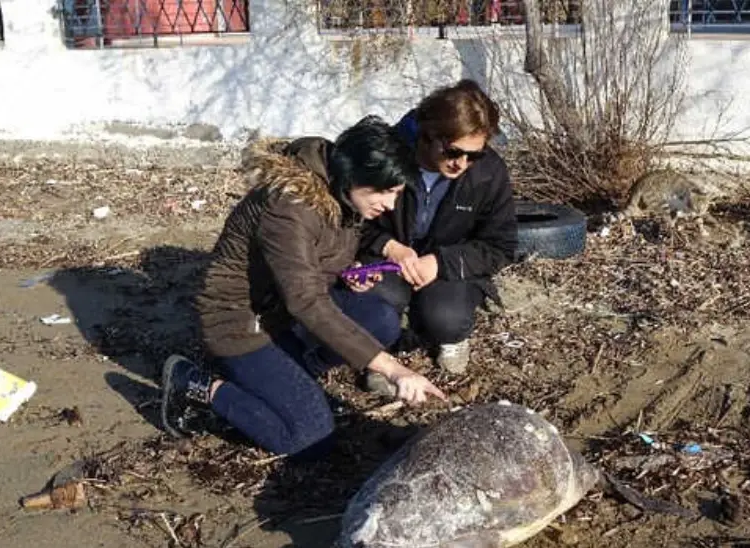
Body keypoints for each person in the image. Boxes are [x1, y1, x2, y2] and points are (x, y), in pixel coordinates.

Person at [160, 115, 446, 460]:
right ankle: (197, 384)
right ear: (356, 175)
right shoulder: (289, 206)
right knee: (310, 437)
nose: (390, 205)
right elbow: (306, 301)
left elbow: (315, 262)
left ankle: (291, 377)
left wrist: (348, 271)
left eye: (397, 193)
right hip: (241, 326)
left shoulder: (342, 192)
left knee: (379, 320)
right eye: (386, 192)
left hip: (281, 315)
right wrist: (392, 368)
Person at [358, 79, 517, 384]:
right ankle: (377, 353)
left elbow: (500, 245)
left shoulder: (489, 172)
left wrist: (439, 263)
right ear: (428, 135)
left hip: (448, 261)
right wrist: (388, 246)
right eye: (454, 152)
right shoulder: (385, 155)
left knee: (448, 320)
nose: (462, 164)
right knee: (377, 303)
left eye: (474, 155)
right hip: (387, 258)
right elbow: (351, 219)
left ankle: (442, 332)